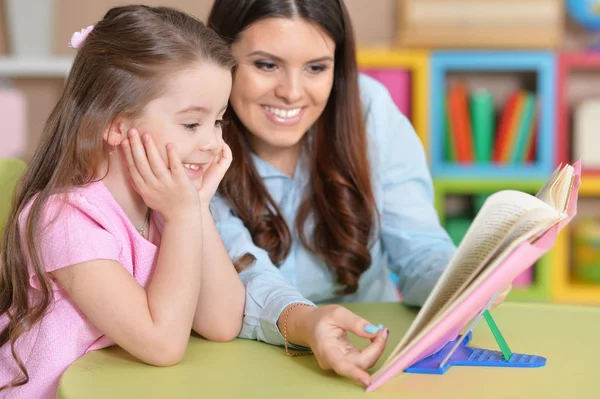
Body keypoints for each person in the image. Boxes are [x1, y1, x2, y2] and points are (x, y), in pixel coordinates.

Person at [207, 0, 511, 387]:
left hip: (375, 352)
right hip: (243, 367)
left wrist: (462, 282)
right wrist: (306, 321)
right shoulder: (198, 134)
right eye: (266, 65)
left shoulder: (369, 110)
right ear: (221, 58)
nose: (292, 92)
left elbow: (418, 248)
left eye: (316, 67)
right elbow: (239, 270)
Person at [0, 5, 246, 398]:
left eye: (218, 121)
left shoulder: (166, 209)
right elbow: (162, 344)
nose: (213, 143)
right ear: (116, 126)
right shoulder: (65, 220)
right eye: (191, 124)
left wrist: (197, 209)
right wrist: (184, 218)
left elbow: (221, 322)